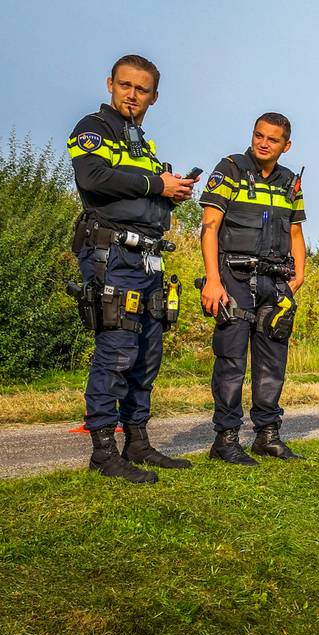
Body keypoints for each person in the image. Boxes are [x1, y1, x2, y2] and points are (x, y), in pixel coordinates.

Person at [67, 54, 197, 484]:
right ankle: (103, 452)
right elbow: (93, 178)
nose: (132, 95)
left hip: (149, 257)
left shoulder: (143, 142)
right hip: (113, 255)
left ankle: (137, 442)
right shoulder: (93, 128)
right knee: (117, 351)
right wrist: (157, 184)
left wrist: (170, 193)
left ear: (153, 97)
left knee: (146, 352)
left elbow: (141, 194)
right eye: (126, 86)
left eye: (141, 90)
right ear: (110, 84)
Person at [197, 113, 307, 465]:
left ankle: (267, 435)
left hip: (275, 281)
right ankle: (226, 439)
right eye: (259, 135)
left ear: (285, 146)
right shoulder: (230, 168)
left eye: (272, 139)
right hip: (233, 277)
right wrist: (212, 279)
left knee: (273, 362)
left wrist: (299, 276)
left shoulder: (291, 181)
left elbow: (296, 232)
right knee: (231, 360)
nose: (263, 142)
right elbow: (209, 227)